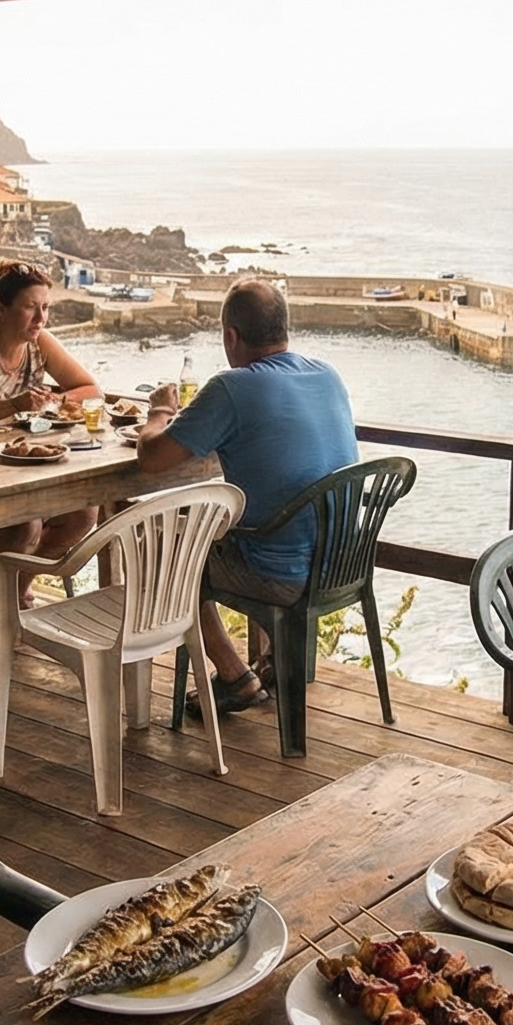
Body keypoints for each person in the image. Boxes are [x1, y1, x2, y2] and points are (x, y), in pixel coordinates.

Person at [135, 277, 357, 714]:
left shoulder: (231, 388)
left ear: (231, 337)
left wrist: (160, 410)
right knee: (249, 531)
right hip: (341, 562)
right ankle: (277, 657)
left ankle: (235, 677)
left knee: (168, 555)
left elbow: (153, 458)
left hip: (286, 576)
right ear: (284, 328)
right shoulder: (327, 374)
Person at [0, 261, 101, 580]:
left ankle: (17, 587)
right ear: (1, 307)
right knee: (26, 524)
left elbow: (91, 389)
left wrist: (53, 401)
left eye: (45, 308)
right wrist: (13, 405)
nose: (41, 318)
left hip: (21, 468)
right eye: (30, 307)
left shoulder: (39, 342)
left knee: (85, 513)